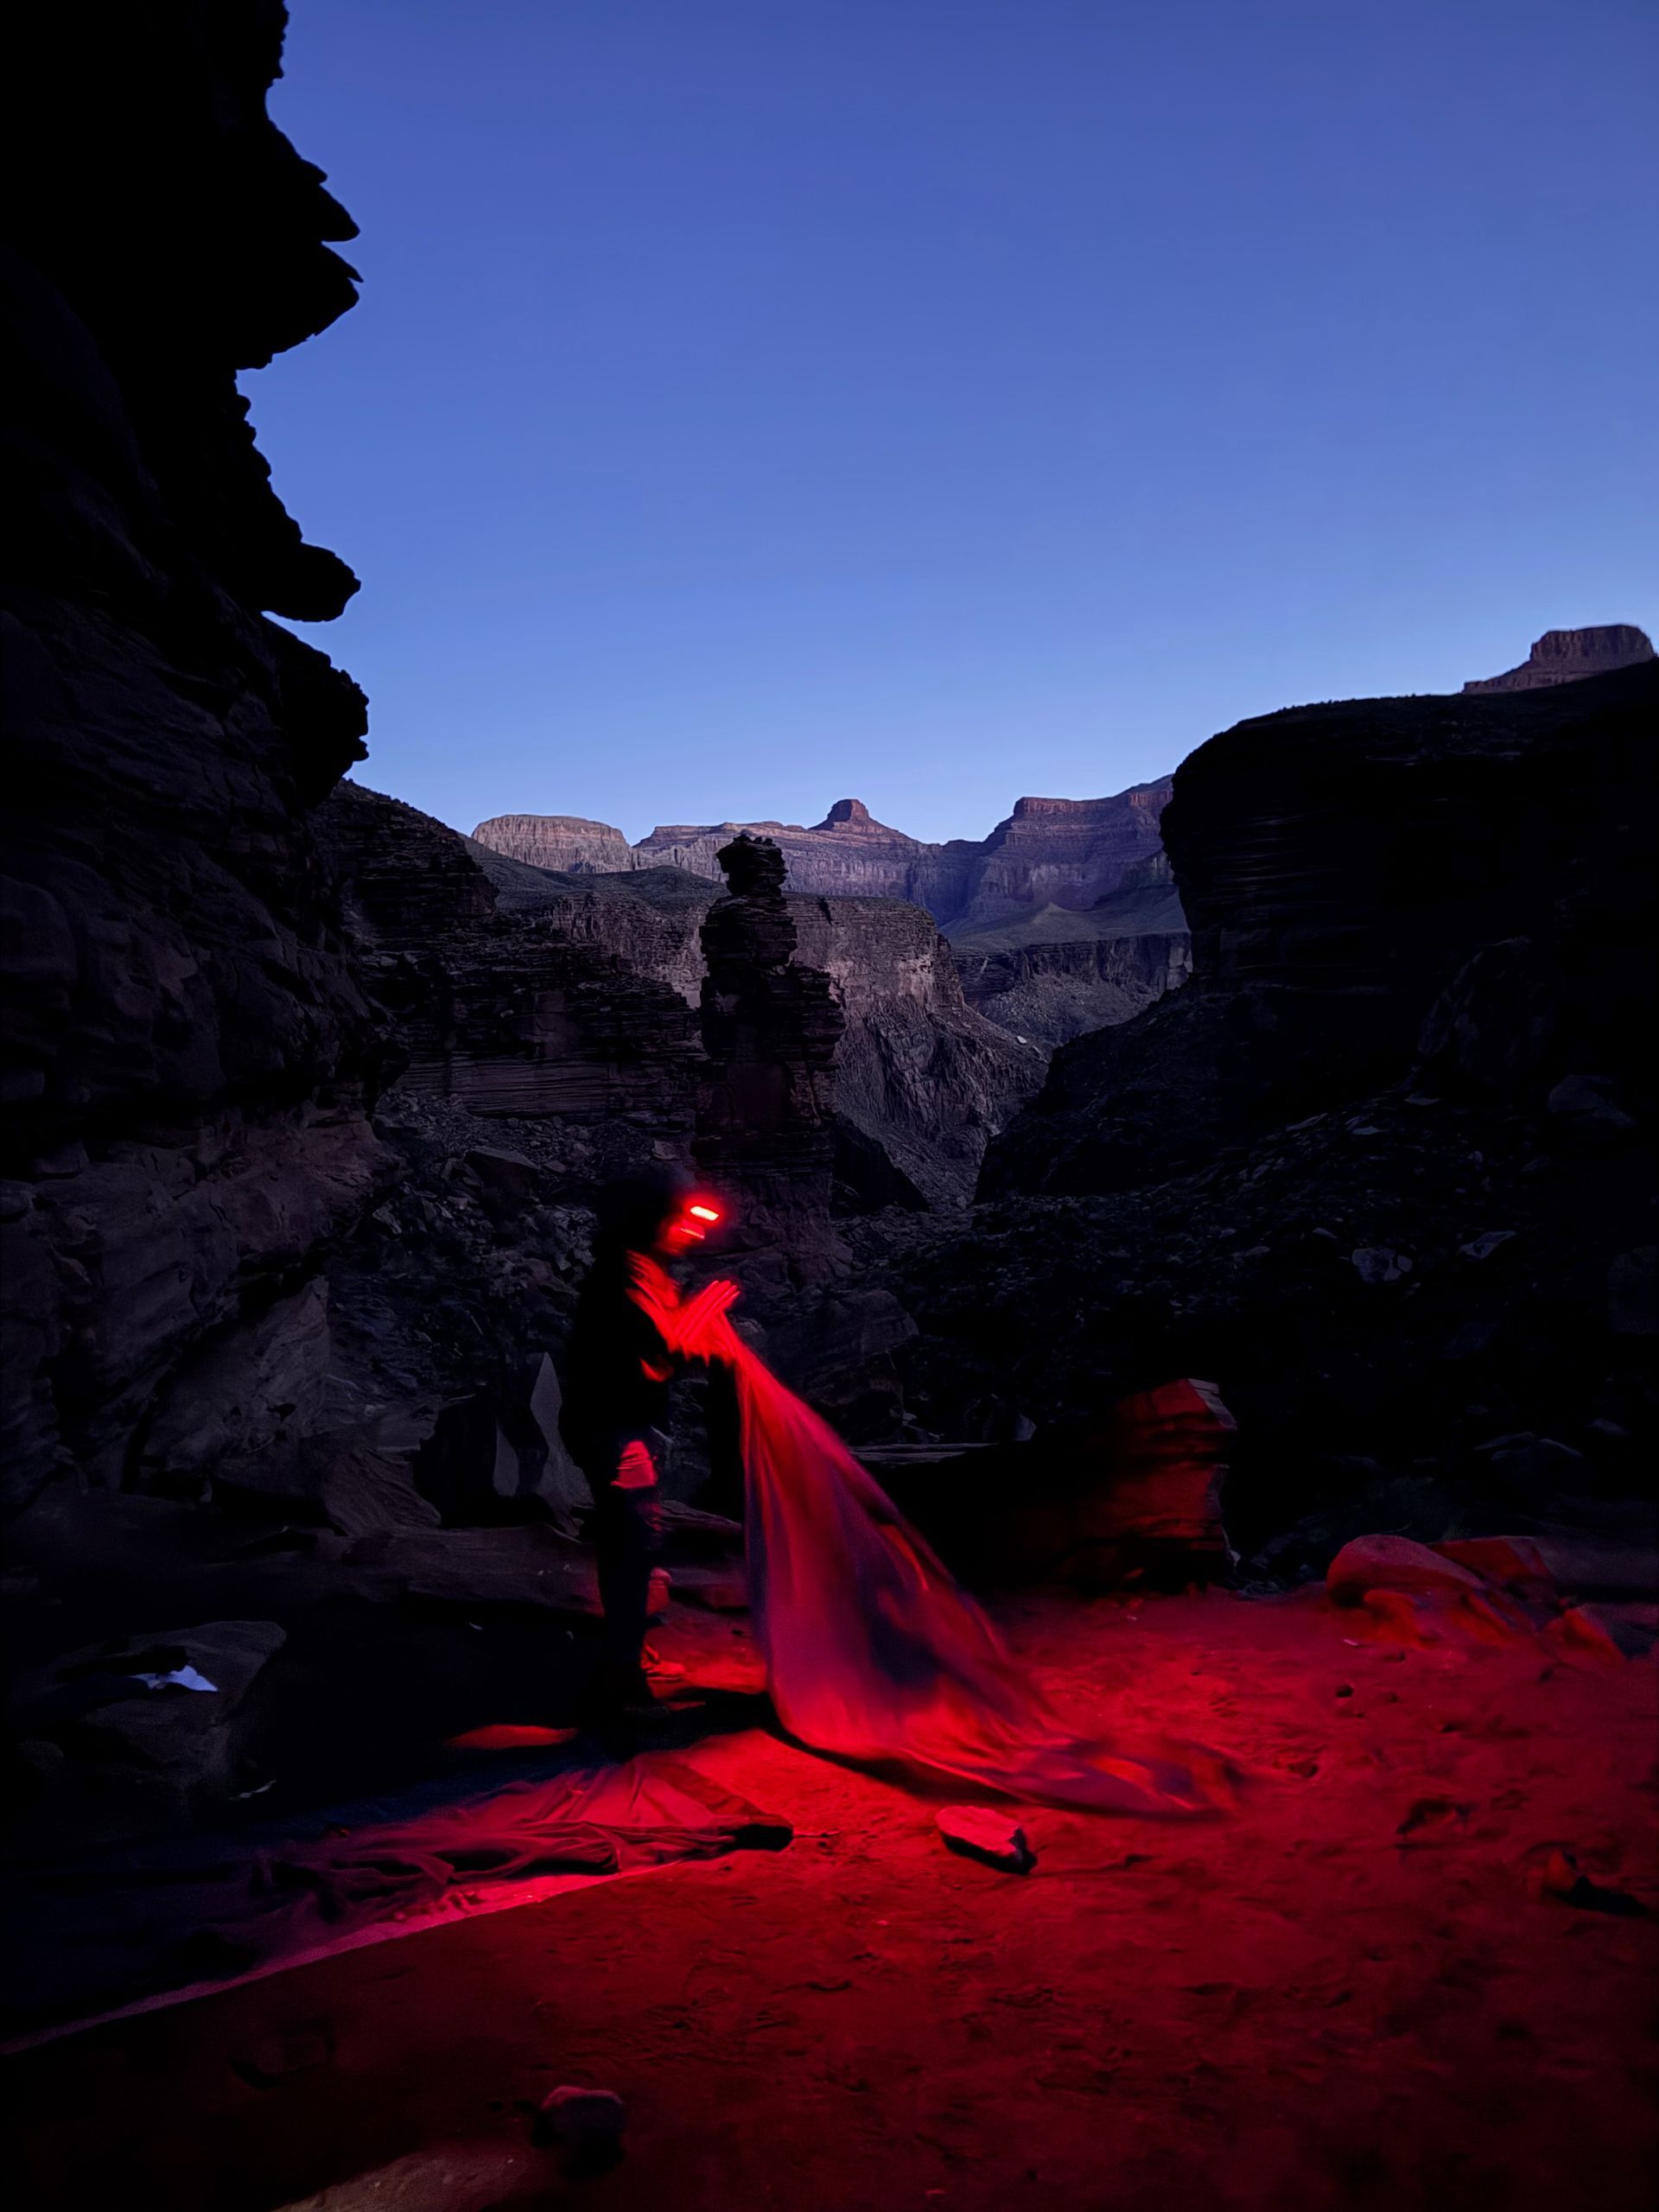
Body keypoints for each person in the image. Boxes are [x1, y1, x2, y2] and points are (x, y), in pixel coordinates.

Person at [560, 1168, 738, 1720]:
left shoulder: (648, 1274)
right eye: (683, 1221)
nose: (694, 1234)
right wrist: (704, 1312)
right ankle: (619, 1686)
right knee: (631, 1546)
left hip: (624, 1428)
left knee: (634, 1545)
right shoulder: (621, 1279)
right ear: (650, 1222)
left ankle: (624, 1663)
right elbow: (655, 1358)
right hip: (613, 1431)